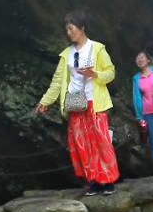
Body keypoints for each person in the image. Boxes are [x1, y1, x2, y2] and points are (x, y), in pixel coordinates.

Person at [34, 10, 120, 194]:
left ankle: (108, 180)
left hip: (94, 100)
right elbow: (57, 82)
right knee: (81, 143)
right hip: (75, 100)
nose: (69, 33)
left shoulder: (97, 48)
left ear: (82, 28)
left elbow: (111, 72)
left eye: (71, 28)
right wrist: (46, 101)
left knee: (101, 141)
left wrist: (94, 74)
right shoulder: (66, 54)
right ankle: (93, 181)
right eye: (67, 29)